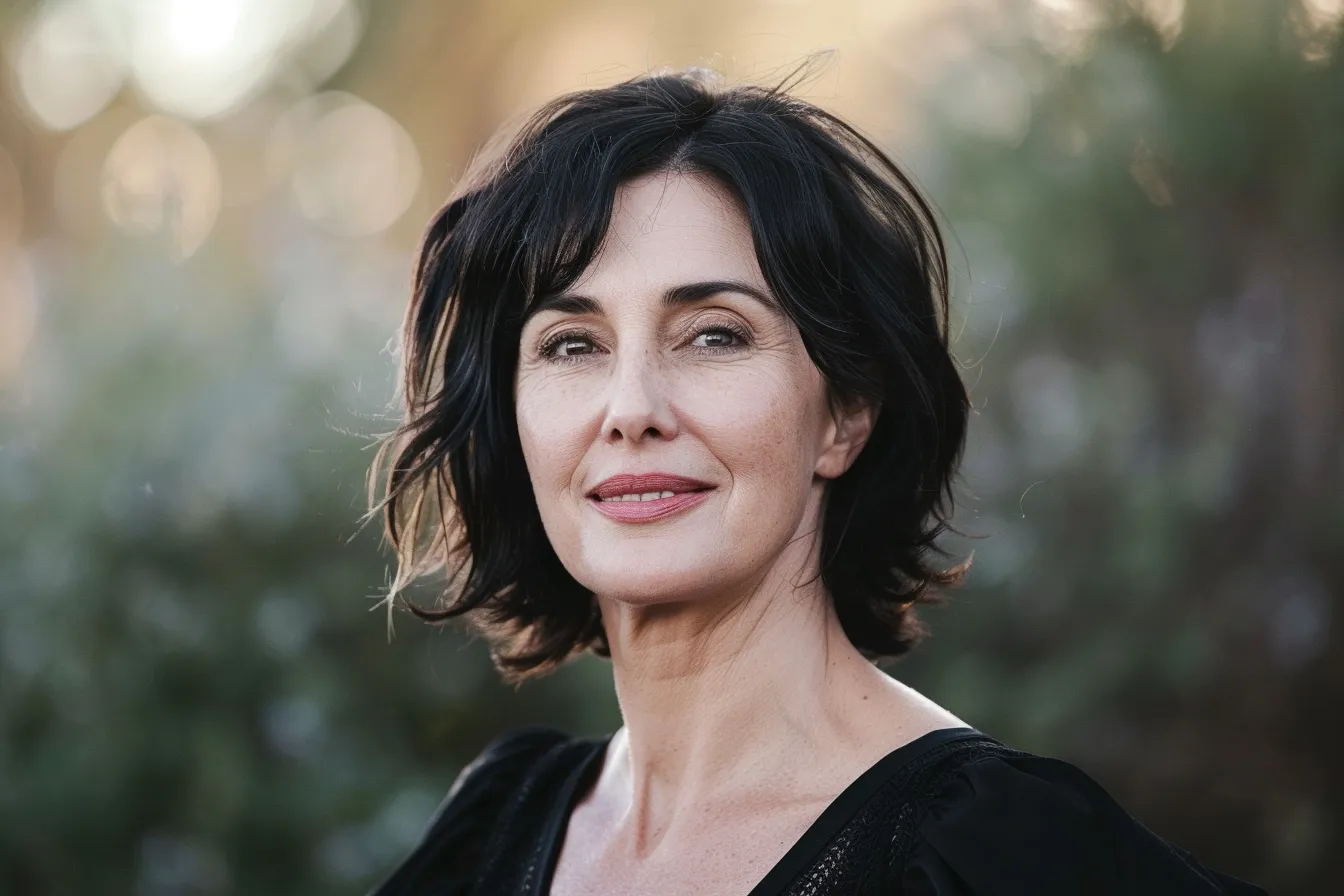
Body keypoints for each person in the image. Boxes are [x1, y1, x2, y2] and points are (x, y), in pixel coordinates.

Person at [363, 64, 1268, 895]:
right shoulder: (496, 831)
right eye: (571, 345)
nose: (631, 408)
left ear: (845, 413)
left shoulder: (1001, 852)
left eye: (714, 334)